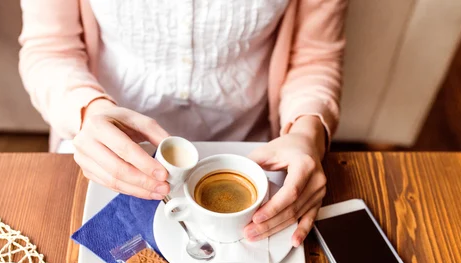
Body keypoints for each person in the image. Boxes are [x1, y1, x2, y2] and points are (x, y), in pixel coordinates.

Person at [19, 0, 347, 247]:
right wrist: (87, 110)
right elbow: (50, 48)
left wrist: (306, 132)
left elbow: (314, 58)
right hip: (104, 151)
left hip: (253, 152)